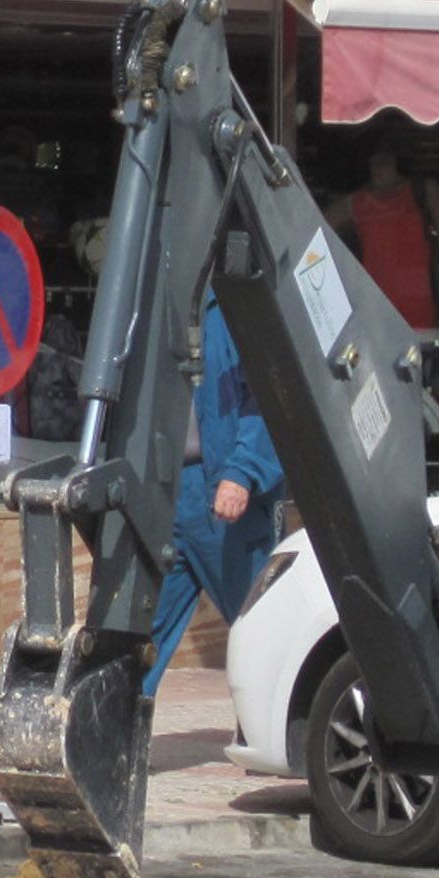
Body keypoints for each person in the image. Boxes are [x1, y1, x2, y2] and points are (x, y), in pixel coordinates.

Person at [143, 297, 286, 695]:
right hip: (167, 490)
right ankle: (116, 738)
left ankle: (282, 738)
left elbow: (272, 394)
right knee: (141, 632)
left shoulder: (235, 305)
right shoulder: (155, 298)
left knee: (261, 630)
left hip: (225, 494)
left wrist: (243, 472)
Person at [326, 144, 439, 331]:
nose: (381, 164)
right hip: (374, 322)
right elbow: (310, 235)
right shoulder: (354, 203)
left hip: (420, 323)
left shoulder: (423, 192)